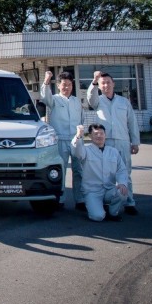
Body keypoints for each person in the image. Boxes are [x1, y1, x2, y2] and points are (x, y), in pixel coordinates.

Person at [86, 71, 140, 215]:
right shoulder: (98, 101)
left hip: (123, 141)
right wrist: (94, 80)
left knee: (125, 172)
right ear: (100, 85)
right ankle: (106, 201)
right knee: (106, 173)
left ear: (113, 84)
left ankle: (129, 202)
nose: (106, 85)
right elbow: (90, 98)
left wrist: (135, 142)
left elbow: (132, 123)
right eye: (103, 83)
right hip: (106, 142)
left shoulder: (124, 102)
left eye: (108, 82)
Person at [40, 71, 85, 211]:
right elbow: (44, 96)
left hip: (76, 139)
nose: (67, 87)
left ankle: (80, 200)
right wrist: (47, 81)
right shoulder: (54, 99)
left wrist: (80, 134)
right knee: (61, 170)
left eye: (69, 84)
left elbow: (82, 119)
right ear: (59, 85)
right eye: (64, 84)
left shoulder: (77, 101)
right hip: (60, 139)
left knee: (79, 170)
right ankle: (60, 199)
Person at [71, 124, 128, 222]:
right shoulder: (86, 150)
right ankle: (96, 207)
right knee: (98, 216)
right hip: (92, 191)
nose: (99, 136)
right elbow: (77, 152)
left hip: (109, 189)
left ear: (105, 135)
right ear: (90, 136)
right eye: (96, 134)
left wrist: (122, 183)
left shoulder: (113, 151)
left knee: (122, 192)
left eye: (101, 133)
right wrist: (79, 136)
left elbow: (121, 170)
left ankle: (113, 213)